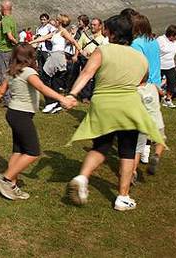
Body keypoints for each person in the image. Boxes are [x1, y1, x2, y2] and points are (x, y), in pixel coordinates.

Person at [65, 15, 164, 211]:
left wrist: (72, 94)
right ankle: (123, 197)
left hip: (103, 104)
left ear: (113, 33)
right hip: (129, 106)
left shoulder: (102, 50)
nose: (104, 33)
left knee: (101, 146)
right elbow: (142, 81)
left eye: (106, 30)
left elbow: (86, 73)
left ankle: (82, 177)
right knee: (127, 152)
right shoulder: (140, 58)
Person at [0, 43, 72, 200]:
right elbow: (41, 88)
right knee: (33, 152)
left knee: (18, 151)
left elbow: (0, 91)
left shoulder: (11, 72)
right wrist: (62, 98)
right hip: (21, 115)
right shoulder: (29, 72)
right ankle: (5, 179)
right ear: (30, 57)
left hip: (14, 114)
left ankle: (12, 186)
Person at [130, 13, 167, 176]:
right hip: (155, 87)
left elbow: (137, 65)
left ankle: (132, 169)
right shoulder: (154, 43)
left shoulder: (136, 44)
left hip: (141, 86)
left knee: (138, 133)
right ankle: (156, 154)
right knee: (157, 125)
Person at [29, 14, 81, 114]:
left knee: (44, 77)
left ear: (60, 22)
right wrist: (32, 41)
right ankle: (56, 103)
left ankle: (50, 102)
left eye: (57, 20)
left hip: (57, 56)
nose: (55, 21)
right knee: (54, 81)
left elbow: (73, 41)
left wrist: (80, 51)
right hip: (53, 55)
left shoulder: (63, 31)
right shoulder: (55, 31)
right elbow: (44, 37)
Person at [76, 17, 108, 103]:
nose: (92, 26)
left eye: (95, 25)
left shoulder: (103, 38)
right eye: (91, 24)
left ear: (100, 26)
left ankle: (93, 94)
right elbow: (79, 45)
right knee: (85, 77)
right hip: (84, 59)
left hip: (97, 59)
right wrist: (81, 52)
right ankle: (84, 96)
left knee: (95, 78)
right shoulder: (85, 34)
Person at [0, 0, 18, 105]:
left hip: (4, 50)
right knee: (10, 74)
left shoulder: (5, 20)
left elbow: (9, 36)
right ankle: (11, 96)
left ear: (4, 9)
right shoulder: (12, 20)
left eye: (0, 7)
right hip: (10, 50)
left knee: (1, 75)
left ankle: (7, 100)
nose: (0, 9)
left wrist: (18, 44)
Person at [157, 25, 176, 108]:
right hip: (159, 66)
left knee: (172, 82)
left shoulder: (174, 41)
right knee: (156, 83)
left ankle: (168, 99)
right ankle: (157, 98)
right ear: (172, 34)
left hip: (170, 65)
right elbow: (156, 52)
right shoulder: (160, 40)